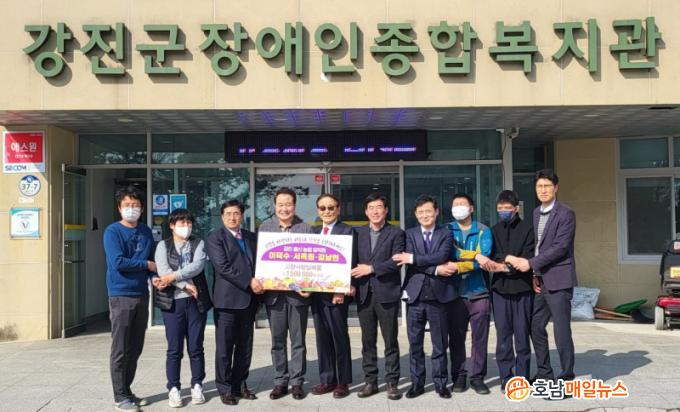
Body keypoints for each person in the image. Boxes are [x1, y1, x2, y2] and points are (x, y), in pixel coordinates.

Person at [505, 169, 577, 386]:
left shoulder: (566, 213)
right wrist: (535, 273)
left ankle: (567, 375)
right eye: (539, 186)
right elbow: (538, 246)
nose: (543, 190)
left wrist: (530, 264)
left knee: (561, 329)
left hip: (559, 279)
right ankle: (545, 371)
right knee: (535, 326)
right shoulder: (536, 213)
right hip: (541, 279)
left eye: (547, 186)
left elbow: (560, 247)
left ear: (556, 188)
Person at [393, 195, 456, 400]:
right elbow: (413, 263)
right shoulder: (409, 234)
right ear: (415, 214)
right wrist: (435, 269)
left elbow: (441, 256)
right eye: (420, 212)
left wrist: (414, 259)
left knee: (440, 343)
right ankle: (417, 384)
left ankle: (441, 383)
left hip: (439, 297)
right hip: (415, 297)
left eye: (428, 211)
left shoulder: (446, 234)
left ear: (436, 212)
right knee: (415, 344)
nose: (425, 215)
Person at [258, 188, 314, 400]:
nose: (284, 208)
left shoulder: (306, 229)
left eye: (288, 204)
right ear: (275, 206)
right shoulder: (265, 228)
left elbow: (312, 262)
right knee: (277, 341)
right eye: (280, 204)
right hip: (274, 295)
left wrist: (310, 286)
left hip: (298, 296)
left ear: (295, 206)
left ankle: (297, 382)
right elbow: (260, 259)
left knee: (298, 341)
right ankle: (280, 381)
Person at [103, 186, 155, 412]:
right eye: (127, 205)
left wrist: (155, 276)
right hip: (120, 295)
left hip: (141, 294)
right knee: (120, 348)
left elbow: (153, 261)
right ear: (119, 208)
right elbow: (118, 262)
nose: (131, 209)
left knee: (135, 347)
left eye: (135, 205)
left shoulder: (145, 231)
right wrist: (146, 266)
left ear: (142, 208)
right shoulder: (112, 232)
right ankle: (119, 396)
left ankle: (127, 390)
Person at [153, 208, 211, 407]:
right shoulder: (163, 245)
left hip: (195, 302)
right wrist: (185, 285)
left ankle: (197, 385)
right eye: (181, 223)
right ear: (172, 225)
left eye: (188, 223)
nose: (186, 227)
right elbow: (163, 270)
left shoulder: (198, 243)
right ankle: (174, 388)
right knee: (174, 348)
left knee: (196, 347)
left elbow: (197, 266)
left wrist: (173, 277)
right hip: (172, 303)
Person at [205, 199, 261, 406]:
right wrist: (249, 281)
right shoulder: (215, 238)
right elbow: (223, 267)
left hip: (249, 301)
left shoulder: (251, 237)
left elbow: (261, 263)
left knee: (245, 346)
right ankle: (225, 387)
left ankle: (240, 384)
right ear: (222, 217)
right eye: (228, 214)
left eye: (236, 213)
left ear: (242, 216)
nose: (232, 217)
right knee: (224, 348)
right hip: (227, 302)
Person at [351, 193, 404, 401]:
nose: (375, 211)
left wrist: (371, 268)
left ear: (386, 210)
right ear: (366, 211)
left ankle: (392, 382)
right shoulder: (358, 233)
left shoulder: (396, 233)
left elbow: (396, 261)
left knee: (390, 340)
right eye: (371, 207)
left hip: (387, 293)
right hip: (364, 294)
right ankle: (370, 381)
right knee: (367, 340)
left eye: (379, 207)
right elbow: (351, 260)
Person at [483, 190, 535, 393]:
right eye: (500, 208)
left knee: (522, 336)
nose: (503, 211)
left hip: (523, 289)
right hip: (500, 290)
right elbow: (492, 257)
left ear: (516, 208)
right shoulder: (493, 230)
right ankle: (506, 376)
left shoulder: (528, 230)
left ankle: (522, 377)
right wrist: (510, 260)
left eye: (507, 208)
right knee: (503, 336)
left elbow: (527, 259)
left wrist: (505, 264)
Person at [445, 193, 493, 395]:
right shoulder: (447, 230)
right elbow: (449, 253)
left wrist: (459, 265)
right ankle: (459, 376)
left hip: (479, 292)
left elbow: (485, 258)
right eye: (455, 205)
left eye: (462, 204)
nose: (458, 208)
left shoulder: (483, 230)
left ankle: (477, 377)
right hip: (454, 294)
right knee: (456, 338)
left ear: (471, 208)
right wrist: (475, 256)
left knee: (479, 339)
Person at [310, 193, 356, 399]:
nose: (327, 211)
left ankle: (342, 382)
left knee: (339, 338)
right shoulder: (313, 232)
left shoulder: (347, 231)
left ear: (338, 209)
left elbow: (351, 260)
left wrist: (341, 288)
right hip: (316, 295)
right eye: (322, 208)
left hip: (337, 295)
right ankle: (327, 379)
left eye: (331, 207)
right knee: (322, 339)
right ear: (318, 210)